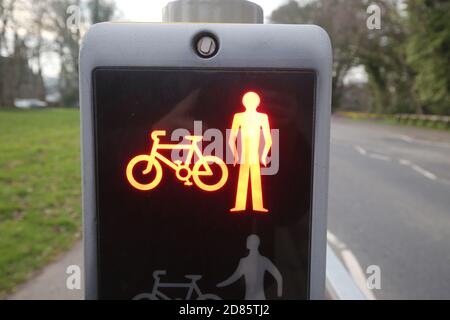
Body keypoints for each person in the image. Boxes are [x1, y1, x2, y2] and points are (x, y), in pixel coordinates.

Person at [229, 92, 272, 212]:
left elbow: (268, 139)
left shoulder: (262, 117)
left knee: (250, 179)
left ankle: (253, 206)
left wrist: (263, 155)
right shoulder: (239, 117)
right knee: (245, 179)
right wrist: (235, 155)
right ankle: (243, 205)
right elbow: (231, 138)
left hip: (251, 153)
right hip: (247, 154)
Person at [217, 234, 282, 300]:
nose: (247, 242)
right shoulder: (246, 261)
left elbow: (234, 277)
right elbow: (235, 276)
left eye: (248, 241)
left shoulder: (262, 260)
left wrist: (279, 292)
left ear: (251, 243)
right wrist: (222, 284)